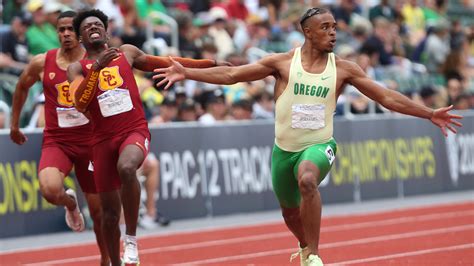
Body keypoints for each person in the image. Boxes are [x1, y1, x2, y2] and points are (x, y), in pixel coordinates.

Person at [153, 7, 463, 266]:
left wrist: (428, 113)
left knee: (307, 181)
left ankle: (314, 255)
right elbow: (232, 75)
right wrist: (188, 73)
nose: (333, 33)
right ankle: (304, 246)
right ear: (307, 32)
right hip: (283, 150)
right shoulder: (282, 63)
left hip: (319, 145)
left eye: (335, 27)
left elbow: (386, 97)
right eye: (325, 27)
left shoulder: (343, 68)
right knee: (289, 211)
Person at [67, 9, 227, 266]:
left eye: (98, 24)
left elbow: (168, 61)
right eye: (87, 27)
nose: (94, 27)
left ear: (107, 31)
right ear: (80, 38)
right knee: (108, 216)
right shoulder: (78, 68)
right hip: (101, 139)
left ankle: (131, 239)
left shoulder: (126, 53)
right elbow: (80, 102)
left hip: (133, 129)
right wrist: (96, 69)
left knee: (128, 167)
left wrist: (209, 64)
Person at [9, 11, 109, 266]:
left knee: (99, 213)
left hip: (91, 143)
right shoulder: (43, 62)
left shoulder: (96, 60)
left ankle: (106, 260)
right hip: (58, 141)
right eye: (61, 29)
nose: (66, 34)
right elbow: (21, 87)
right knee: (51, 190)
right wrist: (14, 124)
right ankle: (70, 203)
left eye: (70, 29)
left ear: (81, 32)